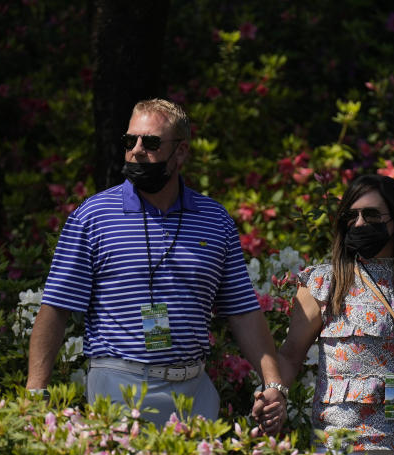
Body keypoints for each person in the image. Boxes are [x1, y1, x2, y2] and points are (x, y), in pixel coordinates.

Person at [26, 98, 287, 430]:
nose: (136, 150)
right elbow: (56, 308)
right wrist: (36, 393)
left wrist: (273, 384)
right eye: (129, 141)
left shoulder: (215, 220)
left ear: (180, 152)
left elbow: (243, 311)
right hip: (119, 384)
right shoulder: (92, 217)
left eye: (150, 142)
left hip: (195, 390)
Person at [254, 174, 394, 455]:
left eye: (370, 215)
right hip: (341, 452)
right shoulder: (322, 283)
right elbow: (291, 354)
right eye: (351, 216)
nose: (358, 224)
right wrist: (273, 394)